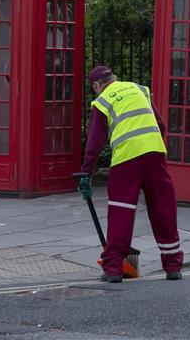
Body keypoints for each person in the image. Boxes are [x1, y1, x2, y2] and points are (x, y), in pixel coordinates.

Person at [78, 65, 183, 283]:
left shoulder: (103, 100)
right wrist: (151, 145)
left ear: (97, 85)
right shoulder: (139, 89)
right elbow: (161, 124)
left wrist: (85, 172)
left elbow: (94, 142)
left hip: (127, 158)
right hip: (154, 152)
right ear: (114, 78)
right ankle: (173, 266)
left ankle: (114, 268)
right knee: (163, 207)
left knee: (121, 212)